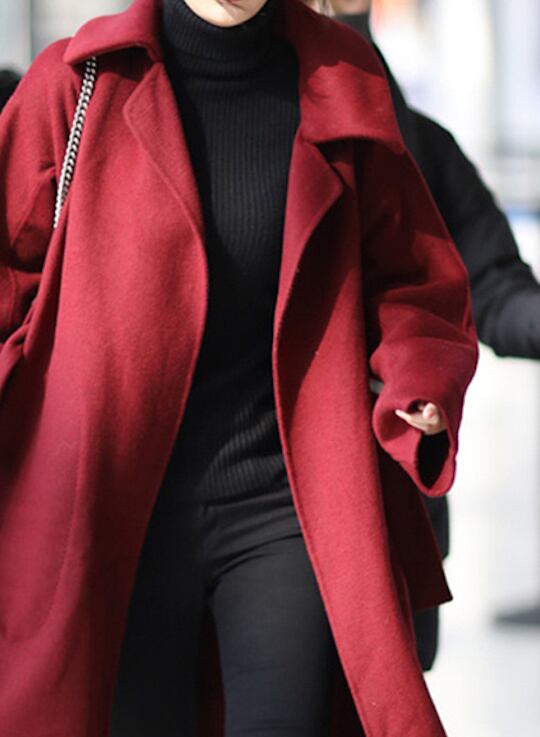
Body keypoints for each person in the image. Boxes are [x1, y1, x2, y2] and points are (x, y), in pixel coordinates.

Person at [0, 1, 478, 736]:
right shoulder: (78, 82)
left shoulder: (338, 75)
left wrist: (420, 378)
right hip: (113, 517)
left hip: (283, 506)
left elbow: (411, 273)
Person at [327, 0, 540, 662]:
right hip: (266, 503)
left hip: (394, 501)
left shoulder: (419, 145)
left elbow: (495, 287)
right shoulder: (237, 135)